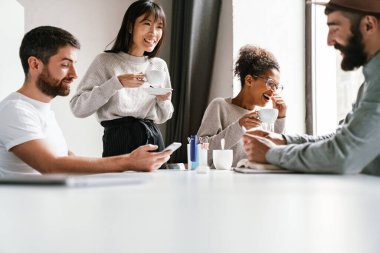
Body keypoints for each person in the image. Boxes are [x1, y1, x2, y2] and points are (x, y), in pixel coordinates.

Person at [0, 26, 172, 177]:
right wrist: (128, 161)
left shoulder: (41, 110)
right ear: (35, 65)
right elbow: (51, 165)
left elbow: (67, 159)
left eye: (74, 64)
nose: (75, 74)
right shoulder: (15, 110)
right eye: (65, 65)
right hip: (25, 210)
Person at [243, 0, 380, 175]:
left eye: (335, 27)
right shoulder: (372, 79)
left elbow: (343, 154)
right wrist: (284, 141)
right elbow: (343, 138)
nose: (329, 41)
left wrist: (272, 154)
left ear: (369, 25)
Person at [70, 0, 173, 159]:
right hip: (118, 140)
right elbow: (78, 108)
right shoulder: (105, 61)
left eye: (159, 26)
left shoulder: (158, 65)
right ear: (130, 27)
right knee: (119, 184)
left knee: (157, 184)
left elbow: (164, 115)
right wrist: (116, 83)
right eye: (147, 23)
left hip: (152, 138)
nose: (154, 32)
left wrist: (162, 100)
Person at [197, 45, 287, 167]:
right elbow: (200, 151)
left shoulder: (264, 117)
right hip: (221, 182)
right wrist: (239, 126)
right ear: (249, 80)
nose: (273, 91)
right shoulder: (220, 106)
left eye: (276, 86)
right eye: (270, 83)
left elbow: (275, 152)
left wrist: (280, 118)